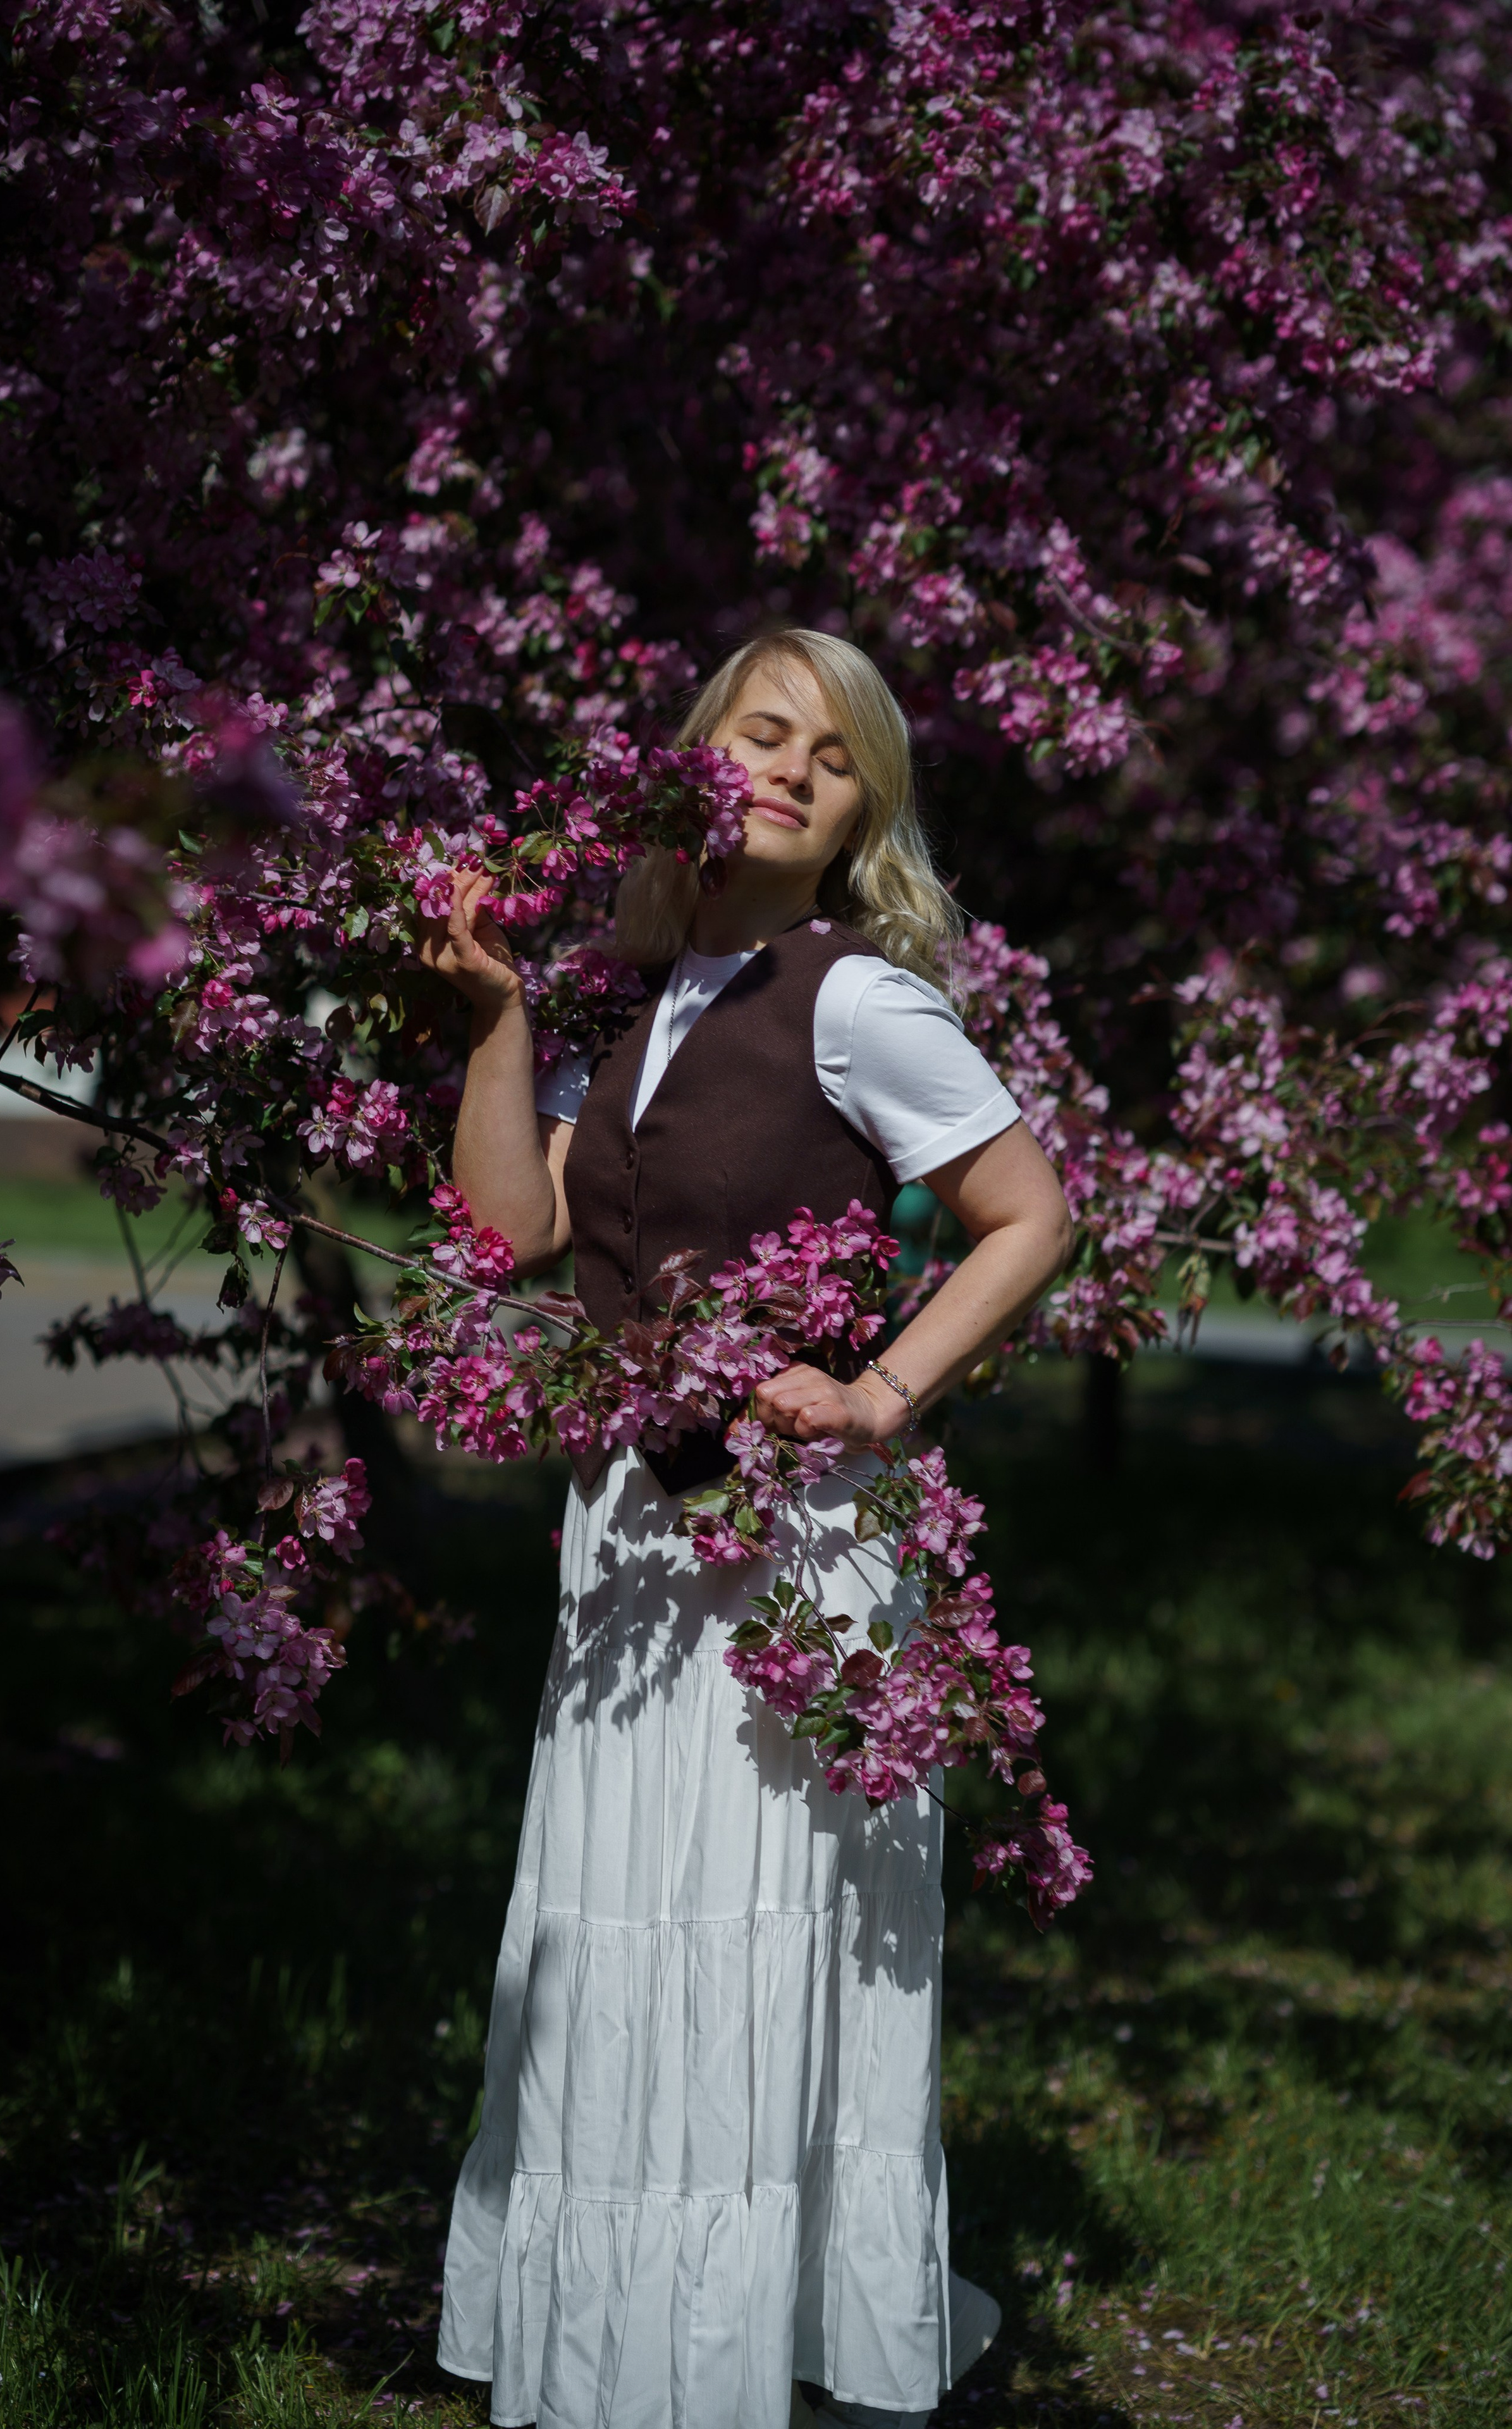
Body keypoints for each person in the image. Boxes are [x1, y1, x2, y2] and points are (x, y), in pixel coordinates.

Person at [424, 629, 1073, 2429]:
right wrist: (498, 1020)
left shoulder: (854, 998)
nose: (791, 768)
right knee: (621, 1922)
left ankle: (728, 2350)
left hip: (794, 1543)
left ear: (863, 813)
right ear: (693, 758)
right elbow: (511, 1237)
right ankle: (621, 2336)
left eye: (835, 757)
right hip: (632, 1534)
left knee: (754, 1924)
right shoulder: (639, 995)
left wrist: (883, 1394)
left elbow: (1030, 1216)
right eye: (761, 734)